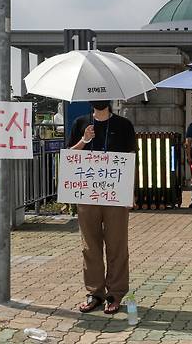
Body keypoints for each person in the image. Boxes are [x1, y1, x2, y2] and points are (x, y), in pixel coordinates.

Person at [68, 100, 137, 314]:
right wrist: (84, 140)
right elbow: (70, 155)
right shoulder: (80, 123)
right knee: (90, 245)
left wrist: (131, 191)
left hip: (115, 193)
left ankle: (115, 293)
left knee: (116, 244)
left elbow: (133, 158)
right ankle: (94, 293)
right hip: (88, 194)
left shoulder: (124, 125)